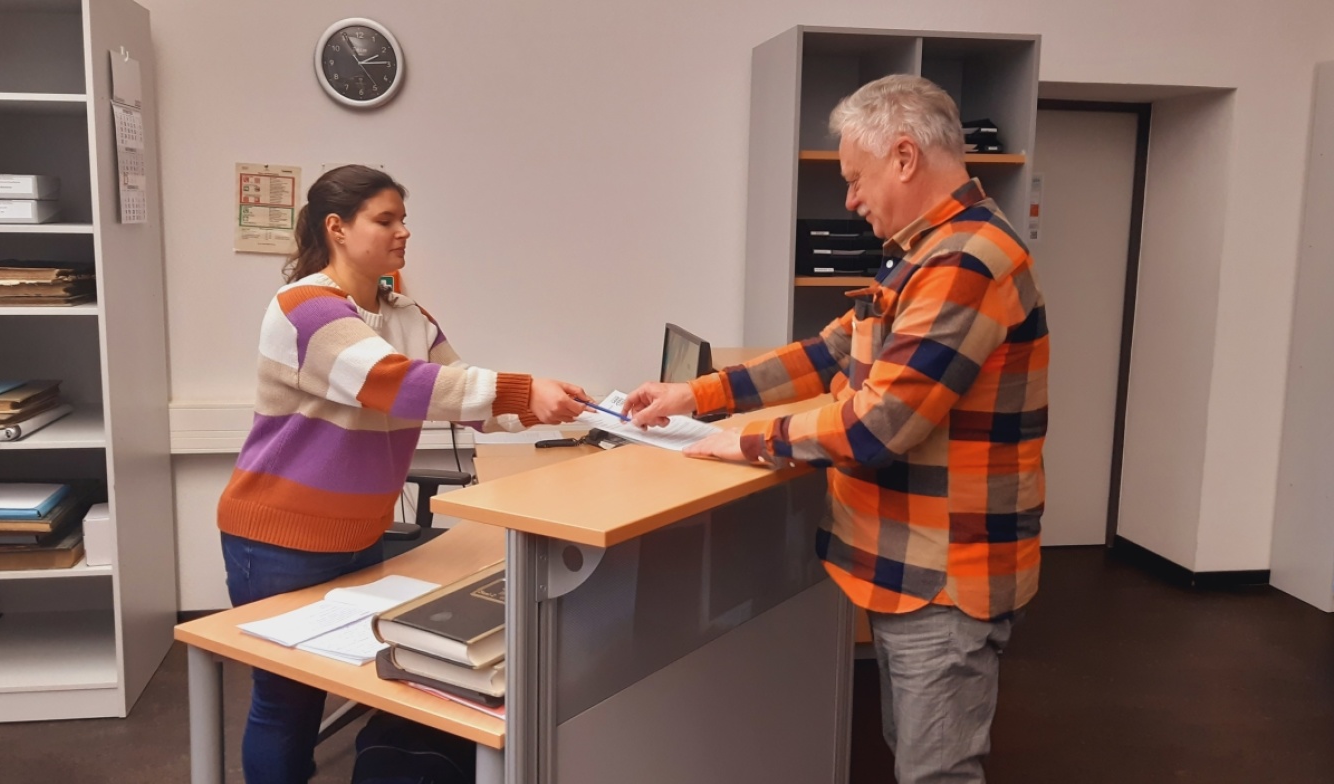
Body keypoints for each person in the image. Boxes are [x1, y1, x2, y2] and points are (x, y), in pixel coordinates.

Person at [624, 75, 1048, 784]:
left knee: (937, 772)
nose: (850, 199)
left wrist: (751, 440)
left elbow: (880, 424)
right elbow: (831, 351)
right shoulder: (922, 252)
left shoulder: (964, 262)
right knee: (912, 753)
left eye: (855, 178)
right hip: (910, 566)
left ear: (904, 157)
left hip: (944, 577)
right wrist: (698, 394)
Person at [217, 165, 588, 784]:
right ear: (337, 228)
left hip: (357, 536)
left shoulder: (408, 314)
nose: (403, 232)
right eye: (385, 220)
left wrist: (548, 408)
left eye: (404, 220)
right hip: (278, 540)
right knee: (288, 703)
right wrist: (524, 389)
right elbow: (392, 383)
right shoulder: (305, 307)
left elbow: (458, 392)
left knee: (357, 679)